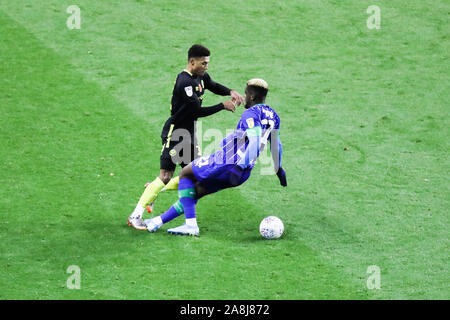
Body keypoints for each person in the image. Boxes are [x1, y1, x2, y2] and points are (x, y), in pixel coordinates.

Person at [144, 78, 287, 236]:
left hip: (227, 163)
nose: (245, 97)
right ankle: (157, 222)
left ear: (252, 97)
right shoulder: (274, 116)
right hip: (243, 174)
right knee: (195, 191)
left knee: (186, 173)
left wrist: (239, 166)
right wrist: (278, 169)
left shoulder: (251, 114)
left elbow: (254, 140)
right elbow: (276, 145)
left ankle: (190, 225)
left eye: (246, 94)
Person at [128, 44, 244, 230]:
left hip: (188, 134)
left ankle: (153, 191)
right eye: (203, 63)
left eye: (207, 63)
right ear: (192, 61)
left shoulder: (200, 76)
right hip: (176, 133)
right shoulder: (185, 82)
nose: (206, 66)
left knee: (197, 174)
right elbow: (195, 111)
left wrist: (230, 91)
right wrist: (222, 106)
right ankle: (136, 215)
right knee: (166, 175)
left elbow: (212, 85)